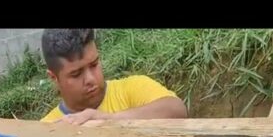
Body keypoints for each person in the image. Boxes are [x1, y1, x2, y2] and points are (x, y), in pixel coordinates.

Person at [39, 29, 187, 125]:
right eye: (76, 74)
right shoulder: (48, 127)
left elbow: (177, 110)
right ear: (54, 78)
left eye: (94, 64)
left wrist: (108, 120)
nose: (90, 79)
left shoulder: (132, 88)